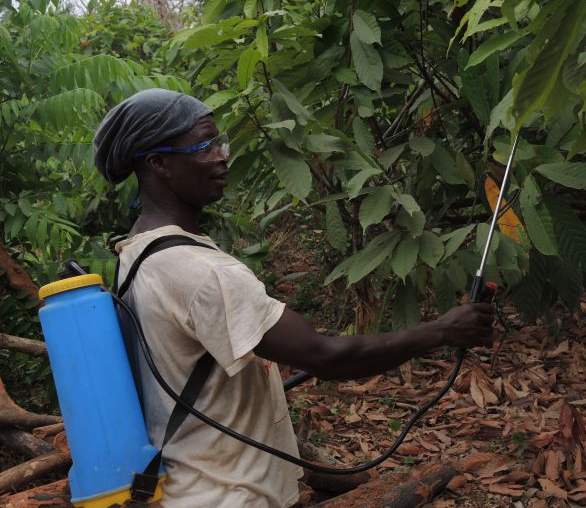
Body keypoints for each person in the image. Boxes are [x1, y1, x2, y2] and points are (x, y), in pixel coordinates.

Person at [93, 88, 495, 508]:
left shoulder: (137, 254)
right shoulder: (205, 272)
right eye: (204, 146)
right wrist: (444, 330)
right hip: (227, 496)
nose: (221, 156)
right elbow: (326, 356)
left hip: (185, 489)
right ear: (158, 164)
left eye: (219, 142)